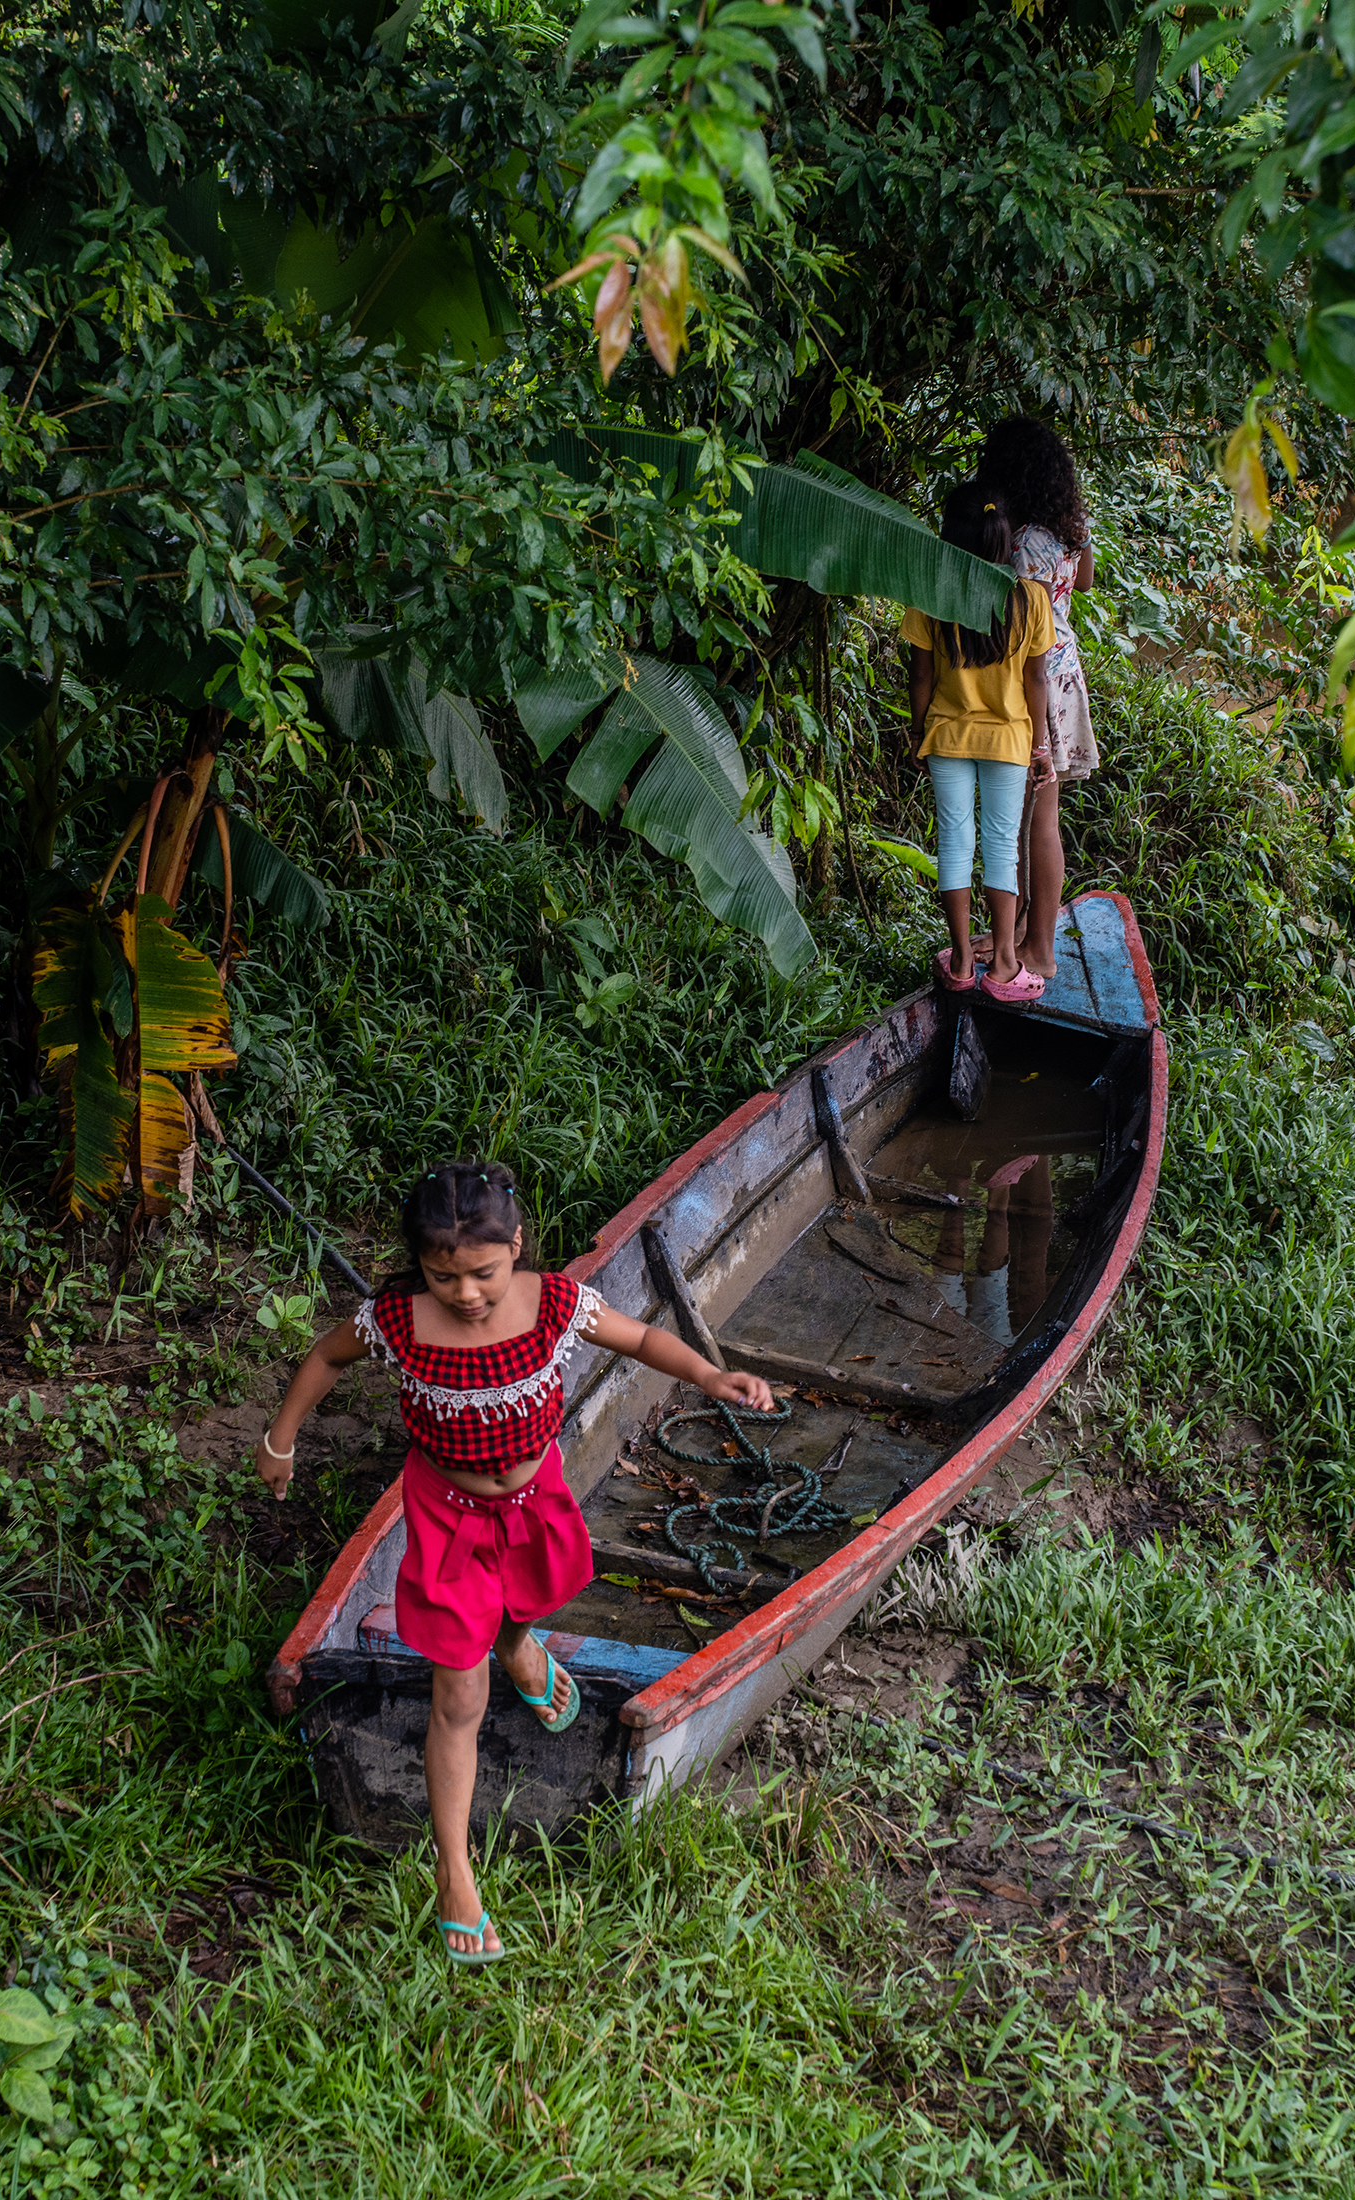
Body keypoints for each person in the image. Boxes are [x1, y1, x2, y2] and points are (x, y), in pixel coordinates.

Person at [256, 1161, 774, 1965]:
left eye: (484, 1273)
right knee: (457, 1694)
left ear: (518, 1247)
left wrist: (711, 1373)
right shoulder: (395, 1321)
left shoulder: (557, 1304)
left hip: (536, 1501)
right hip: (448, 1516)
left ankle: (518, 1642)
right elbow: (324, 1360)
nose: (465, 1293)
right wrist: (279, 1439)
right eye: (444, 1275)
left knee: (544, 1592)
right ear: (420, 1267)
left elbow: (638, 1336)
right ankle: (454, 1873)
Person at [902, 484, 1056, 1006]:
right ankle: (1007, 966)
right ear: (1006, 539)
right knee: (999, 848)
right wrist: (1041, 747)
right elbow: (1037, 681)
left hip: (947, 734)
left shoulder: (931, 591)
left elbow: (921, 674)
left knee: (954, 842)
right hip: (1010, 740)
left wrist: (918, 729)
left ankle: (964, 960)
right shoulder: (1031, 598)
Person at [974, 418, 1097, 983]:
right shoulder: (1071, 529)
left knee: (1038, 818)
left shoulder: (1025, 544)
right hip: (1065, 672)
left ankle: (1040, 949)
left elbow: (1029, 629)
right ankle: (1019, 933)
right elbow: (1086, 583)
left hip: (1040, 681)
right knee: (1028, 816)